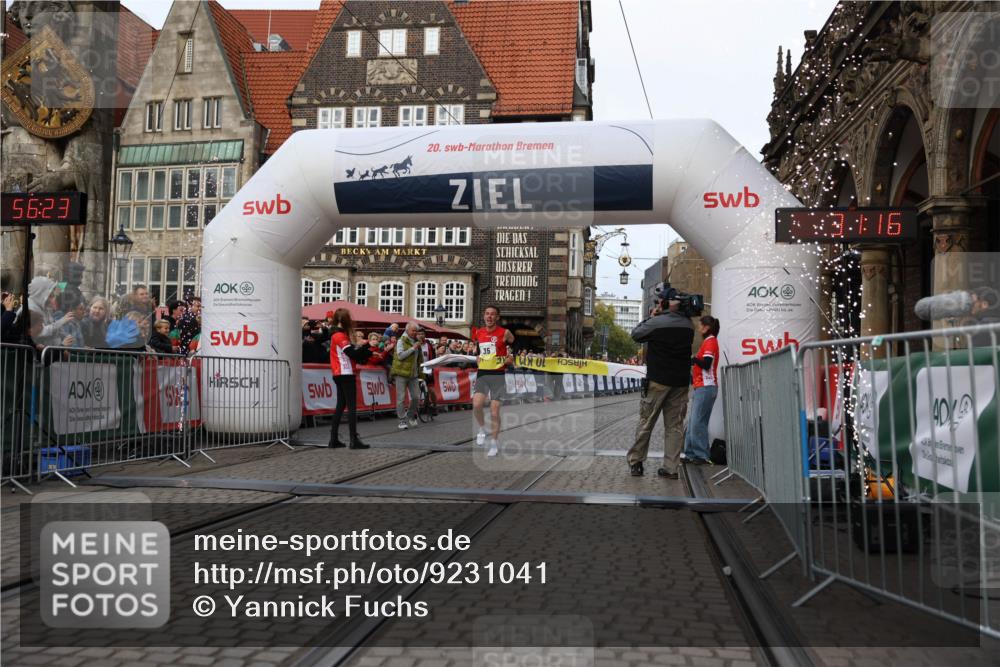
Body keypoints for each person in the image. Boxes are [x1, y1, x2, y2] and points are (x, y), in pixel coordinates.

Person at [626, 291, 695, 479]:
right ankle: (671, 468)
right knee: (675, 426)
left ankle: (636, 462)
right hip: (680, 382)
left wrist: (651, 316)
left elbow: (636, 335)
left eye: (659, 301)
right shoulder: (689, 325)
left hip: (658, 380)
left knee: (646, 422)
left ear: (664, 304)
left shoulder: (657, 322)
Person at [472, 305, 515, 456]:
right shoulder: (479, 332)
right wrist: (477, 356)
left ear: (497, 317)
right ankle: (482, 428)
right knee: (477, 404)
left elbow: (513, 344)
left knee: (494, 411)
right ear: (484, 316)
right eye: (487, 314)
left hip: (498, 375)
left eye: (492, 315)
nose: (489, 317)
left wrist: (510, 356)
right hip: (483, 374)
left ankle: (494, 443)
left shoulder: (505, 333)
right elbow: (479, 350)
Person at [328, 307, 373, 449]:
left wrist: (362, 350)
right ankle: (354, 439)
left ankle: (333, 438)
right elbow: (350, 353)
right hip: (345, 372)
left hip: (339, 373)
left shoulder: (337, 334)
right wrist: (365, 350)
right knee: (351, 406)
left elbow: (351, 352)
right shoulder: (339, 336)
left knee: (341, 406)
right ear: (345, 320)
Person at [683, 316, 721, 465]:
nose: (698, 327)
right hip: (702, 387)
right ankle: (691, 453)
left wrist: (693, 359)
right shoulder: (707, 341)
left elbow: (706, 363)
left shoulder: (711, 341)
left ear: (706, 327)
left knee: (698, 422)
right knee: (694, 421)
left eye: (700, 325)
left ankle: (701, 454)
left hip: (706, 386)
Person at [391, 322, 423, 430]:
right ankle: (402, 420)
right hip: (401, 374)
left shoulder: (417, 341)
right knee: (401, 398)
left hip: (413, 374)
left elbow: (419, 359)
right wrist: (413, 348)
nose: (415, 333)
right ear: (407, 330)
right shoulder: (401, 341)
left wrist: (421, 372)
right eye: (413, 330)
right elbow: (400, 356)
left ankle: (410, 416)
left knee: (416, 397)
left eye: (416, 331)